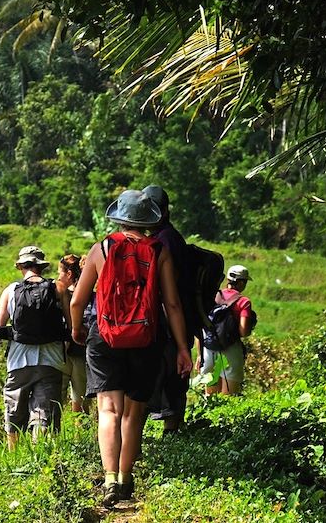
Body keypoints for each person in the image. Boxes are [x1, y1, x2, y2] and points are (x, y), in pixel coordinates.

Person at [70, 189, 193, 507]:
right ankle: (125, 477)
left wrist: (77, 329)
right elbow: (173, 304)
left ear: (119, 218)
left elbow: (77, 301)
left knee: (108, 411)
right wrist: (182, 348)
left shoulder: (102, 248)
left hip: (105, 337)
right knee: (134, 413)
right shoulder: (159, 250)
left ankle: (109, 479)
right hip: (146, 339)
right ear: (147, 221)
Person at [0, 246, 72, 449]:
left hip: (18, 362)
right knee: (44, 414)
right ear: (41, 266)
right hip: (50, 362)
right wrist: (64, 351)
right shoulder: (58, 289)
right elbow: (71, 327)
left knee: (14, 413)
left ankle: (14, 457)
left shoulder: (10, 291)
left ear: (21, 266)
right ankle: (40, 459)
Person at [142, 184, 193, 434]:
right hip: (165, 320)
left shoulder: (166, 241)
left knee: (171, 377)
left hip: (169, 321)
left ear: (161, 212)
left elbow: (169, 294)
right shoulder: (163, 238)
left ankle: (172, 433)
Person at [196, 264, 253, 395]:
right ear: (241, 283)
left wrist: (200, 355)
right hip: (231, 350)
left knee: (210, 398)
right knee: (229, 398)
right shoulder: (244, 302)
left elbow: (201, 325)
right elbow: (244, 331)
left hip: (209, 350)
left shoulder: (214, 296)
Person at [57, 254, 89, 414]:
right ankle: (81, 436)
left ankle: (51, 435)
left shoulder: (61, 295)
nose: (58, 277)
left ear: (69, 274)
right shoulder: (89, 293)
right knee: (81, 401)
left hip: (62, 353)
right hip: (82, 352)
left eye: (60, 273)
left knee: (55, 400)